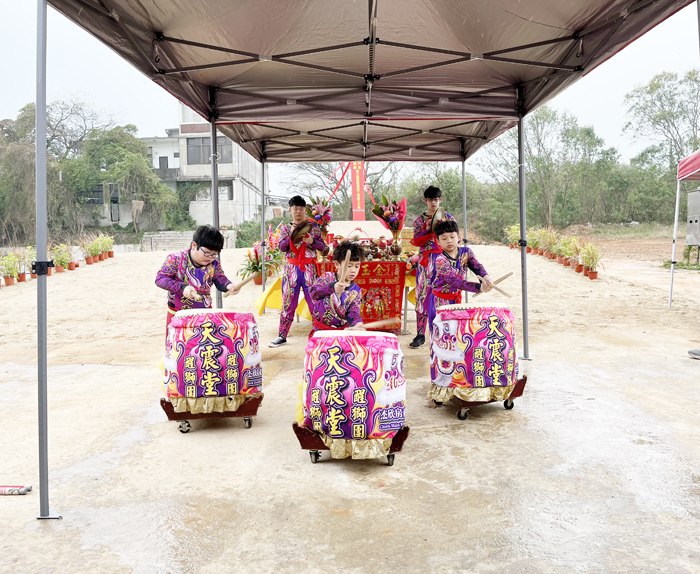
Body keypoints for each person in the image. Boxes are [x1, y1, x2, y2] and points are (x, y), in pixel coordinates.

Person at [155, 225, 240, 338]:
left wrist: (229, 286)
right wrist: (182, 287)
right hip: (178, 312)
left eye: (214, 254)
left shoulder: (213, 264)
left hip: (203, 312)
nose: (210, 257)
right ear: (194, 245)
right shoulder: (176, 259)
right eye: (207, 253)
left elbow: (220, 278)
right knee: (178, 345)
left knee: (201, 346)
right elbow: (160, 278)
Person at [269, 195, 327, 347]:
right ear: (290, 210)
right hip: (292, 270)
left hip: (309, 269)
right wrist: (292, 236)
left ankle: (319, 333)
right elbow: (281, 247)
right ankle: (282, 335)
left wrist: (312, 241)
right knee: (288, 302)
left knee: (315, 302)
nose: (299, 212)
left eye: (301, 209)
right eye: (296, 209)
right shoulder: (285, 229)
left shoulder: (313, 228)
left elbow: (324, 248)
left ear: (305, 211)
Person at [426, 220, 493, 335]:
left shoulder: (466, 252)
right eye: (444, 238)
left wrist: (485, 277)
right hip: (440, 302)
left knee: (455, 334)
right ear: (438, 241)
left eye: (452, 236)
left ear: (458, 237)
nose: (449, 241)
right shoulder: (441, 260)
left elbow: (476, 266)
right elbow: (455, 282)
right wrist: (479, 287)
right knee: (440, 334)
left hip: (456, 299)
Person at [409, 185, 455, 348]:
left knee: (445, 294)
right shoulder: (419, 221)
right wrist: (427, 229)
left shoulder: (449, 218)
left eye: (436, 200)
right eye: (430, 200)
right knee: (422, 296)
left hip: (444, 260)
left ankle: (445, 332)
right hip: (425, 261)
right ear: (425, 201)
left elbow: (454, 240)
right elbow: (416, 241)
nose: (433, 203)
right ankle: (420, 334)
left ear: (440, 200)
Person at [308, 241, 365, 335]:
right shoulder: (327, 277)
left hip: (341, 332)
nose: (353, 270)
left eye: (357, 266)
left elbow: (353, 312)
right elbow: (313, 293)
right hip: (321, 329)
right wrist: (332, 287)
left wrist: (356, 323)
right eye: (349, 265)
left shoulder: (356, 290)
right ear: (337, 264)